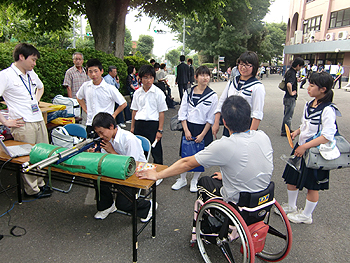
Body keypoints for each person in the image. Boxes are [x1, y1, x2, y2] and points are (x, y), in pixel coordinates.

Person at [137, 95, 273, 206]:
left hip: (239, 200)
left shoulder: (225, 145)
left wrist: (157, 175)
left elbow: (186, 163)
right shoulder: (263, 136)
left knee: (204, 182)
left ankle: (204, 227)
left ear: (224, 122)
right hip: (264, 197)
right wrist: (226, 176)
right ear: (249, 118)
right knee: (217, 177)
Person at [278, 72, 339, 224]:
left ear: (323, 89)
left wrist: (304, 146)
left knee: (313, 186)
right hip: (301, 147)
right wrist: (297, 132)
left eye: (312, 85)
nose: (308, 88)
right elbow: (306, 125)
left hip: (314, 152)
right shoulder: (309, 104)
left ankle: (306, 215)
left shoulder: (328, 110)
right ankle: (291, 206)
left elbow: (327, 136)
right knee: (291, 177)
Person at [0, 43, 51, 198]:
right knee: (27, 157)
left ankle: (41, 183)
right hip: (22, 124)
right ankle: (32, 190)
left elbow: (40, 87)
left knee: (42, 154)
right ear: (21, 57)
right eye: (33, 60)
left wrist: (34, 101)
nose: (34, 63)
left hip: (37, 120)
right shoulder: (6, 75)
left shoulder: (31, 73)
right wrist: (5, 122)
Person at [89, 112, 156, 221]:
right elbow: (104, 157)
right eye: (98, 133)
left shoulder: (129, 139)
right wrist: (95, 153)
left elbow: (130, 166)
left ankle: (148, 206)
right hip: (116, 168)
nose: (101, 136)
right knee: (98, 179)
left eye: (101, 132)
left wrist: (112, 151)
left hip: (135, 172)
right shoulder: (107, 138)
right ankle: (107, 206)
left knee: (123, 204)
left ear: (111, 126)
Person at [171, 66, 218, 192]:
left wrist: (203, 134)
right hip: (189, 126)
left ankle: (195, 180)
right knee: (185, 154)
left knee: (200, 156)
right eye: (202, 75)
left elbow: (211, 117)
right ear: (196, 77)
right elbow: (183, 111)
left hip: (203, 129)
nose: (205, 78)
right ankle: (182, 179)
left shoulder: (212, 96)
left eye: (207, 75)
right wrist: (186, 130)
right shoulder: (188, 92)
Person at [212, 51, 265, 138]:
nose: (243, 67)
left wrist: (250, 136)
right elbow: (222, 102)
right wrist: (216, 122)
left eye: (247, 65)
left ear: (254, 67)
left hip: (245, 128)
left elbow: (257, 113)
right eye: (241, 64)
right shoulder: (232, 82)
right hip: (229, 127)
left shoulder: (257, 86)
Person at [76, 59, 127, 138]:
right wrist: (85, 109)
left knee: (106, 148)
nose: (93, 74)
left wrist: (113, 115)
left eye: (96, 71)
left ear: (101, 71)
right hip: (90, 123)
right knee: (92, 148)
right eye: (90, 72)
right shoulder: (85, 86)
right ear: (87, 73)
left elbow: (123, 103)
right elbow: (79, 97)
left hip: (105, 126)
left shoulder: (109, 88)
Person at [130, 65, 168, 166]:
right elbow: (134, 111)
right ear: (140, 78)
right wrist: (132, 127)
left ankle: (159, 173)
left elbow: (161, 112)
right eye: (145, 77)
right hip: (139, 124)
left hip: (153, 124)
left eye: (151, 77)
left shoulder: (158, 93)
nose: (148, 80)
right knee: (140, 150)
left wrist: (160, 130)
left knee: (156, 150)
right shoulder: (137, 93)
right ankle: (141, 169)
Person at [280, 57, 304, 137]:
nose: (300, 68)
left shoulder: (289, 72)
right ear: (297, 65)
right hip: (290, 98)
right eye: (300, 66)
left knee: (287, 114)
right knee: (288, 116)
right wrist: (291, 93)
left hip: (287, 97)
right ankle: (285, 131)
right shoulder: (292, 73)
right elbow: (288, 84)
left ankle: (286, 129)